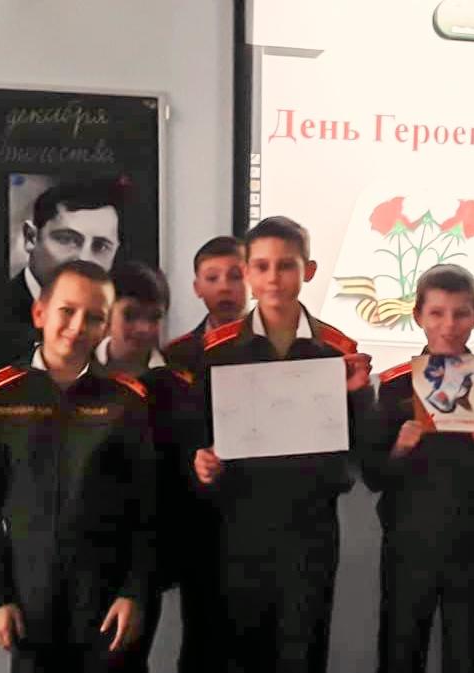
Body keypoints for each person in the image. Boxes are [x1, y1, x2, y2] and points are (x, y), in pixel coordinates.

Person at [191, 216, 373, 673]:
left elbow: (361, 447)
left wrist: (357, 396)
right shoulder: (217, 351)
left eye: (286, 265)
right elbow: (199, 435)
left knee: (303, 647)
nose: (274, 277)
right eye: (262, 266)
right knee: (242, 651)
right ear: (247, 273)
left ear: (308, 271)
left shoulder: (337, 350)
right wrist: (203, 462)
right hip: (239, 524)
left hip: (309, 526)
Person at [0, 261, 157, 673]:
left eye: (94, 317)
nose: (78, 326)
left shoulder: (126, 400)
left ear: (105, 327)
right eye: (67, 311)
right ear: (40, 313)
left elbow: (149, 505)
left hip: (107, 603)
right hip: (30, 602)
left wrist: (135, 592)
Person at [363, 265, 474, 673]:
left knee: (468, 656)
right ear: (418, 315)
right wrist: (399, 449)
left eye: (460, 313)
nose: (449, 325)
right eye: (437, 313)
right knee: (400, 653)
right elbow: (373, 476)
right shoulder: (396, 386)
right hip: (409, 545)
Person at [96, 261, 222, 673]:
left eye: (154, 318)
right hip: (80, 552)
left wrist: (203, 469)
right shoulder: (78, 375)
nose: (144, 328)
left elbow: (188, 477)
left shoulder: (178, 386)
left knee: (127, 660)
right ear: (106, 313)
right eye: (130, 315)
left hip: (146, 555)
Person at [8, 180, 124, 323]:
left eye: (101, 247)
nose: (84, 258)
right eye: (67, 239)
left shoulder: (117, 322)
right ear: (30, 238)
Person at [164, 236, 247, 374]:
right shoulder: (177, 353)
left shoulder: (276, 343)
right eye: (212, 278)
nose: (224, 287)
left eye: (236, 276)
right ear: (197, 288)